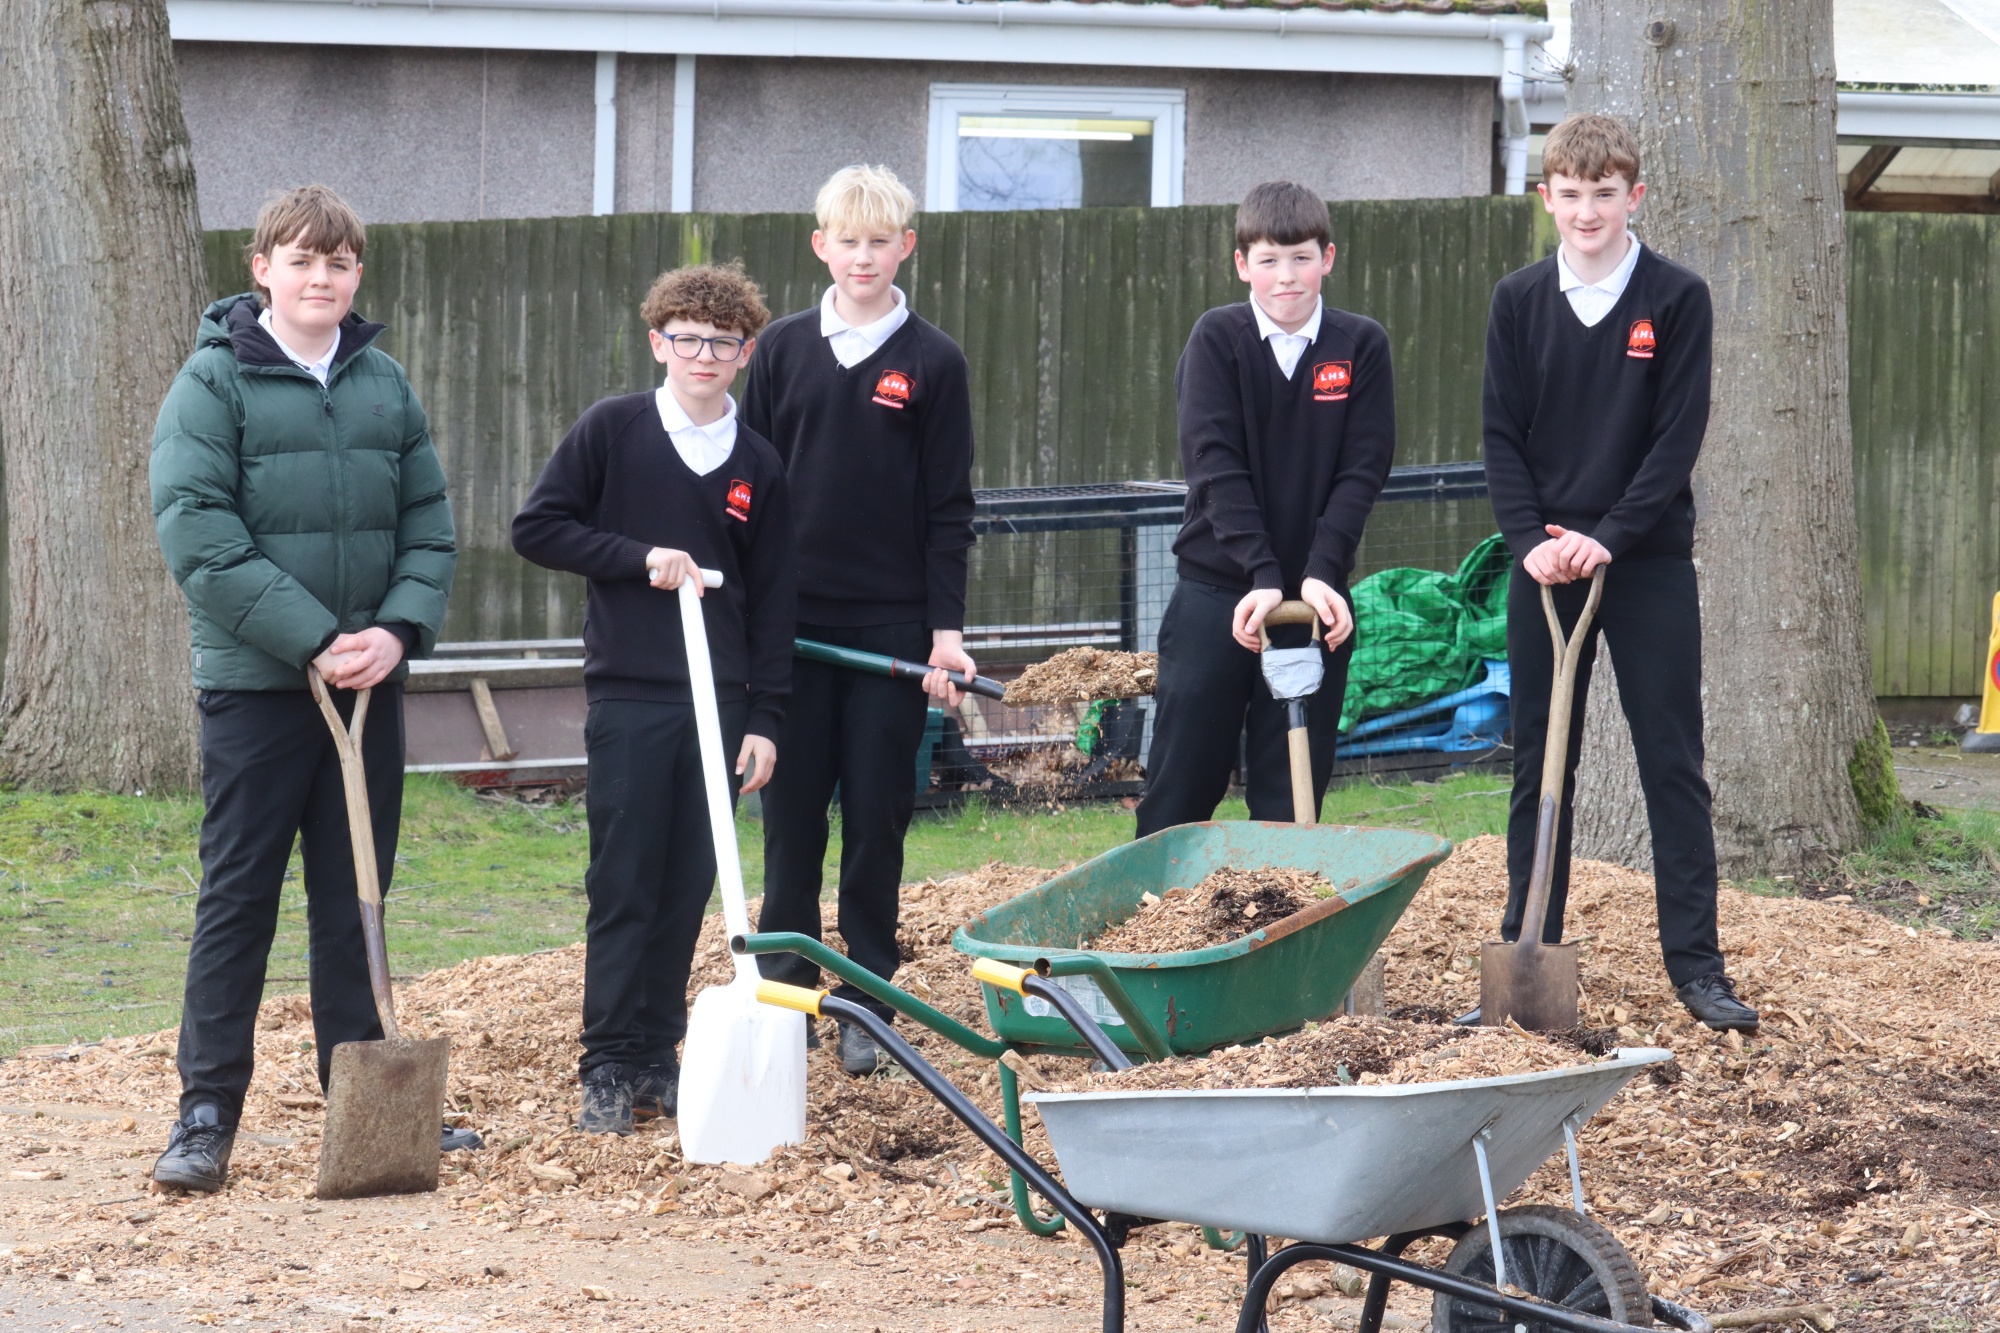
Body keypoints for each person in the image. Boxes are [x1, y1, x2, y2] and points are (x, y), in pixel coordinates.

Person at [148, 185, 462, 1191]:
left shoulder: (382, 384)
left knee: (354, 893)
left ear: (355, 275)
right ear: (262, 270)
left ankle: (362, 1104)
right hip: (260, 688)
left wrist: (395, 631)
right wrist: (315, 637)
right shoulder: (214, 384)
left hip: (369, 687)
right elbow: (196, 528)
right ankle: (206, 1113)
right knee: (238, 897)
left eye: (337, 263)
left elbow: (428, 521)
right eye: (299, 260)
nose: (319, 278)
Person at [1472, 113, 1758, 1032]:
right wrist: (1532, 542)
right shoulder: (1518, 301)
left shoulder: (1676, 299)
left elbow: (1676, 440)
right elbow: (1501, 437)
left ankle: (1698, 969)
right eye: (1571, 193)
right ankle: (1529, 951)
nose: (1587, 210)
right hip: (1546, 565)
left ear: (1633, 197)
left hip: (1645, 564)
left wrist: (1611, 536)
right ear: (1546, 196)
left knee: (1671, 761)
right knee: (1538, 763)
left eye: (1606, 193)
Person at [512, 264, 795, 1134]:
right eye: (684, 337)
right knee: (625, 877)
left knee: (689, 883)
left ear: (744, 354)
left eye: (719, 341)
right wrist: (640, 557)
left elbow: (776, 596)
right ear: (656, 342)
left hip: (723, 699)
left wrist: (767, 716)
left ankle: (658, 1055)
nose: (700, 354)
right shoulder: (614, 430)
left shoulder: (758, 464)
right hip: (635, 694)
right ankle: (606, 1058)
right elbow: (540, 528)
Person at [741, 164, 976, 1077]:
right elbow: (747, 487)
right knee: (791, 823)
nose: (865, 257)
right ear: (821, 247)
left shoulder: (935, 362)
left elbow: (948, 507)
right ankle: (788, 994)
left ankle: (865, 1000)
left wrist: (942, 634)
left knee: (877, 822)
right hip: (789, 633)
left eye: (882, 242)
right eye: (849, 241)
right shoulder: (782, 351)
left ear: (905, 247)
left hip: (888, 635)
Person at [1135, 181, 1396, 837]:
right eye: (1271, 260)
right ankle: (1153, 931)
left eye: (1302, 258)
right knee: (1180, 788)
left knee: (1291, 799)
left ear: (1328, 258)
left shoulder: (1360, 346)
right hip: (1216, 596)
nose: (1288, 276)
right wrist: (1260, 573)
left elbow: (1362, 470)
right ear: (1242, 264)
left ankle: (1276, 932)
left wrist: (1319, 573)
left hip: (1317, 603)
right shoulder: (1217, 339)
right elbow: (1215, 466)